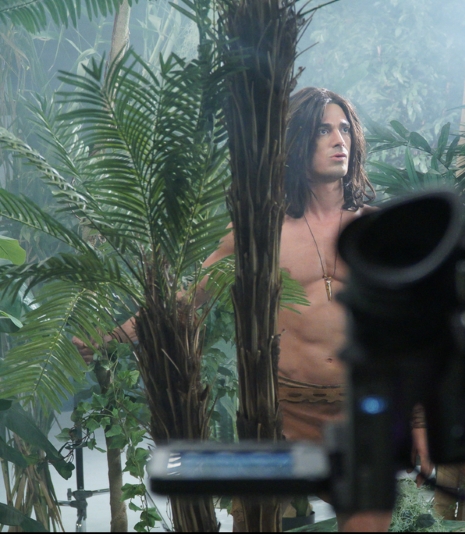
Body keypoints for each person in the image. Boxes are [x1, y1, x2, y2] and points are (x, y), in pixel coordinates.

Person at [75, 87, 432, 532]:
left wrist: (419, 419)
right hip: (281, 417)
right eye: (323, 130)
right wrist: (109, 339)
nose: (339, 140)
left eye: (344, 129)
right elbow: (188, 300)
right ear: (295, 141)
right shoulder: (260, 231)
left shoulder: (378, 229)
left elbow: (407, 329)